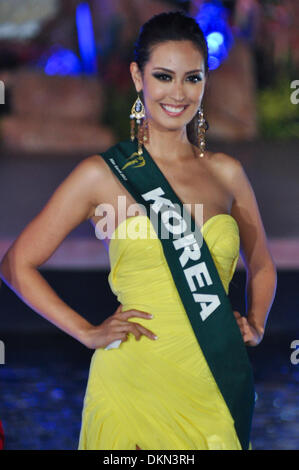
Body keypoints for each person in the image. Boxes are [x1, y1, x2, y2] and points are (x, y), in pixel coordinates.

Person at [0, 11, 277, 450]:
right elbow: (17, 264)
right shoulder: (101, 175)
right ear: (137, 76)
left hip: (214, 385)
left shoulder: (227, 174)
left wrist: (257, 322)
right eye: (164, 76)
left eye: (192, 78)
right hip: (131, 390)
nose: (178, 93)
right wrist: (86, 331)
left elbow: (261, 261)